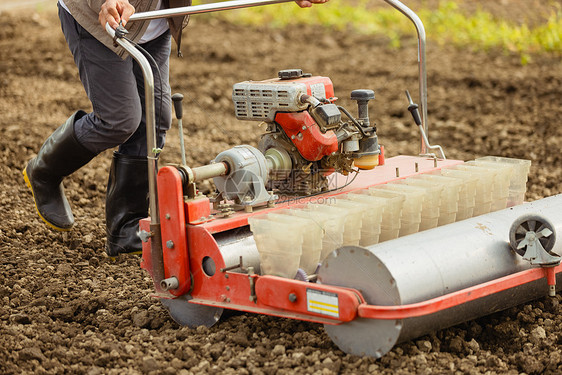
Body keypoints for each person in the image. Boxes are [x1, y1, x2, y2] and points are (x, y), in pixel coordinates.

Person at [23, 0, 329, 257]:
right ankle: (44, 171)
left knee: (155, 119)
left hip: (151, 22)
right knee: (120, 119)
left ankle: (125, 228)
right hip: (99, 22)